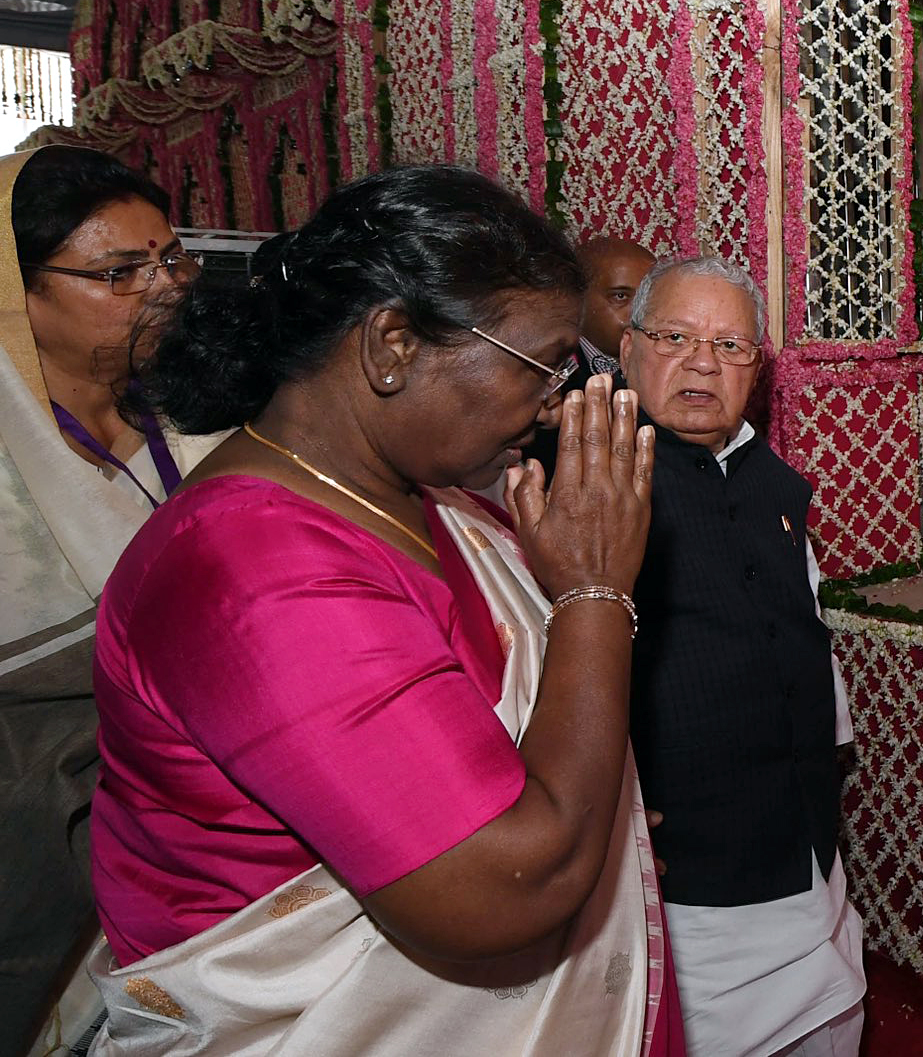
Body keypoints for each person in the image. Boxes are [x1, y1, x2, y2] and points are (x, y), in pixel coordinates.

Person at [87, 166, 676, 1054]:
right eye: (541, 368)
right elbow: (502, 890)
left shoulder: (429, 496)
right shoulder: (251, 573)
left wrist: (599, 821)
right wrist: (596, 592)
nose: (552, 406)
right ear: (393, 345)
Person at [619, 255, 863, 1057]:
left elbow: (806, 637)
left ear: (758, 369)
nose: (702, 362)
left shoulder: (778, 486)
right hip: (689, 882)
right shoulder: (587, 483)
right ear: (627, 351)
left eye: (731, 347)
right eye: (676, 337)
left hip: (805, 849)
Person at [0, 146, 214, 1057]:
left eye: (169, 258)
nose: (163, 288)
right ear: (19, 295)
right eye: (118, 272)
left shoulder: (207, 417)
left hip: (208, 842)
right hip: (48, 841)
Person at [576, 235, 656, 384]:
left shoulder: (674, 363)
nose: (640, 310)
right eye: (621, 296)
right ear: (577, 297)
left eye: (649, 296)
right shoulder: (552, 375)